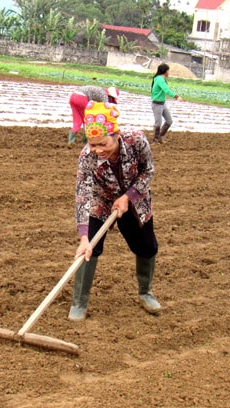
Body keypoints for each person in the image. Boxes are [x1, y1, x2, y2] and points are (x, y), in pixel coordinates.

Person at [68, 101, 161, 321]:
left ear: (116, 135)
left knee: (147, 246)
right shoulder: (87, 156)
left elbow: (148, 171)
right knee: (89, 247)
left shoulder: (136, 140)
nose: (97, 150)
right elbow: (83, 194)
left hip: (135, 200)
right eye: (92, 145)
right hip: (101, 201)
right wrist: (83, 236)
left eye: (102, 144)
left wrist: (128, 197)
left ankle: (145, 292)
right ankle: (79, 303)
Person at [151, 63, 183, 144]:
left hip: (162, 104)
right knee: (158, 123)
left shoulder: (161, 79)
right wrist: (176, 97)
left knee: (169, 121)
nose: (169, 72)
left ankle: (160, 137)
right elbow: (166, 90)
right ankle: (155, 140)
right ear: (165, 71)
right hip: (157, 104)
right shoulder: (159, 79)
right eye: (168, 70)